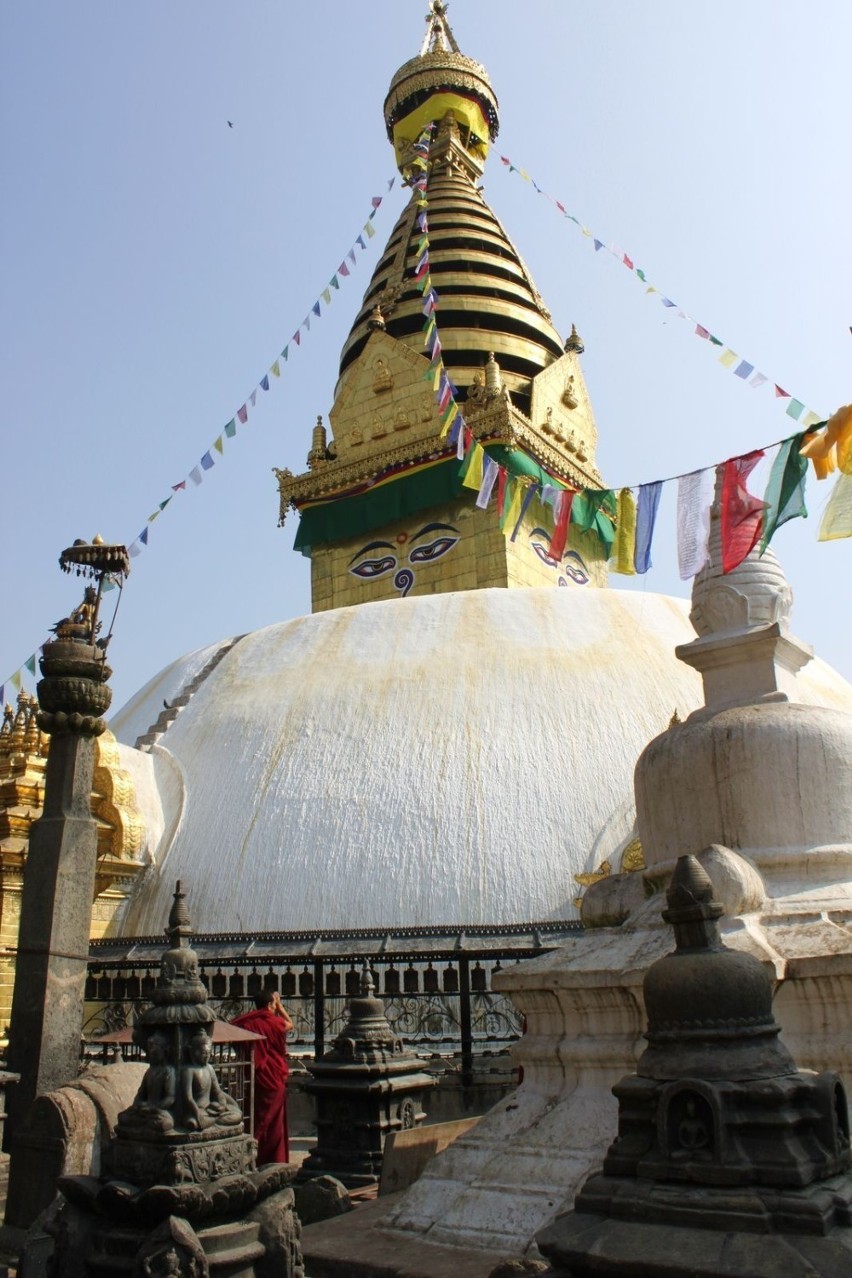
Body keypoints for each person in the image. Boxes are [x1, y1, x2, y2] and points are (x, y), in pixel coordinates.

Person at [232, 989, 292, 1163]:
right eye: (273, 1004)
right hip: (275, 1076)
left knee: (259, 1115)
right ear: (269, 1005)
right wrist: (280, 1007)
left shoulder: (248, 1022)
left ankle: (258, 1153)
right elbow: (290, 1025)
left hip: (258, 1076)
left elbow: (233, 1028)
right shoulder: (273, 1021)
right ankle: (265, 1153)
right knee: (273, 1120)